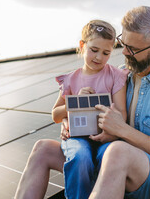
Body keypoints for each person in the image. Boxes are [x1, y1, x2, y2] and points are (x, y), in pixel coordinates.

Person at [15, 6, 150, 199]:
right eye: (123, 43)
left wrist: (122, 130)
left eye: (133, 49)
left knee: (118, 151)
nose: (125, 53)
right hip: (105, 162)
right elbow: (69, 112)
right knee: (42, 148)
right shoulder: (119, 76)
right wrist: (71, 121)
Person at [15, 19, 128, 199]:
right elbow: (56, 115)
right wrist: (74, 102)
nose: (99, 57)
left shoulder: (115, 76)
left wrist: (111, 134)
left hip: (106, 139)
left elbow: (122, 113)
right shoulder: (70, 80)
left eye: (106, 53)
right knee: (80, 156)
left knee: (111, 160)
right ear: (82, 45)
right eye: (94, 50)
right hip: (78, 138)